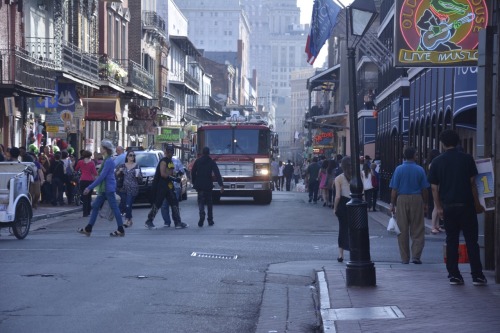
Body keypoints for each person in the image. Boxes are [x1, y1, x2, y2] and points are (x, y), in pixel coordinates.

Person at [428, 129, 487, 286]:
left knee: (451, 241)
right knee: (471, 241)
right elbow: (473, 181)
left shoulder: (437, 162)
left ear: (442, 143)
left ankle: (454, 275)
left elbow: (434, 187)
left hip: (448, 206)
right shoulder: (467, 159)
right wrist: (478, 202)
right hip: (466, 205)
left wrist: (439, 207)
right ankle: (477, 275)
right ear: (458, 142)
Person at [389, 147, 429, 265]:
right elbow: (425, 189)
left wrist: (392, 204)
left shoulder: (399, 169)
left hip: (401, 199)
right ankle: (416, 256)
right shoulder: (420, 169)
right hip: (417, 198)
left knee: (402, 229)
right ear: (414, 156)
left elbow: (394, 189)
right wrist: (426, 203)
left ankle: (405, 258)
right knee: (417, 228)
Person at [78, 140, 125, 237]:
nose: (100, 149)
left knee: (114, 208)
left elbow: (102, 176)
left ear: (106, 149)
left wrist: (89, 187)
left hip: (108, 188)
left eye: (101, 147)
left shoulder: (108, 161)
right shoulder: (106, 160)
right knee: (95, 206)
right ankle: (88, 228)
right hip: (105, 189)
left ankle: (121, 229)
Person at [144, 144, 188, 230]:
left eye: (172, 151)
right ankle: (149, 221)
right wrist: (174, 178)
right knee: (158, 203)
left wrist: (176, 176)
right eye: (169, 151)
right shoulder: (163, 161)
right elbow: (163, 174)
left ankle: (177, 222)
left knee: (174, 202)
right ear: (166, 152)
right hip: (161, 185)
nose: (170, 153)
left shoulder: (170, 161)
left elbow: (170, 173)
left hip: (168, 185)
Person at [191, 146, 224, 227]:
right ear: (209, 153)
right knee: (209, 203)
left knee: (201, 202)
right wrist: (221, 185)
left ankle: (201, 215)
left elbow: (193, 172)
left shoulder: (198, 161)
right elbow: (217, 173)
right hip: (208, 185)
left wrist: (194, 182)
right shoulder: (211, 162)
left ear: (202, 153)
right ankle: (210, 220)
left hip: (200, 185)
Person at [116, 150, 142, 228]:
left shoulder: (136, 166)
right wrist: (119, 172)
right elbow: (116, 174)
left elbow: (140, 178)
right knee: (126, 204)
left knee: (128, 204)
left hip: (133, 188)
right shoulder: (122, 166)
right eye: (130, 155)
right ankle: (130, 220)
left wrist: (138, 176)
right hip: (123, 188)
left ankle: (127, 220)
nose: (132, 157)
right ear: (127, 156)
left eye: (133, 155)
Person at [333, 156, 351, 263]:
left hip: (343, 204)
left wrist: (335, 208)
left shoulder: (338, 178)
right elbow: (362, 192)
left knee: (342, 229)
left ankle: (341, 255)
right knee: (354, 230)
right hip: (355, 203)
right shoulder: (359, 175)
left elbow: (337, 196)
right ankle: (354, 251)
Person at [74, 150, 97, 217]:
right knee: (89, 197)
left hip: (82, 180)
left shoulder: (80, 162)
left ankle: (84, 212)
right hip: (90, 180)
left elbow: (76, 169)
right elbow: (94, 173)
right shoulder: (92, 163)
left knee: (84, 197)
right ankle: (88, 211)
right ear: (90, 155)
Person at [427, 149, 444, 234]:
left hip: (436, 186)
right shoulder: (432, 165)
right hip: (435, 187)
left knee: (437, 206)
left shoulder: (432, 164)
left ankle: (437, 225)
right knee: (436, 206)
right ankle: (433, 226)